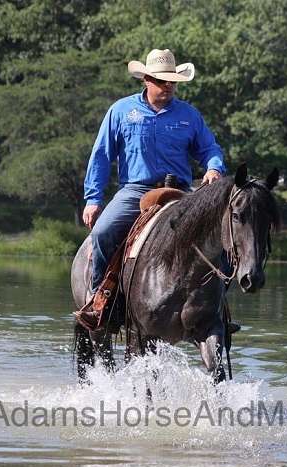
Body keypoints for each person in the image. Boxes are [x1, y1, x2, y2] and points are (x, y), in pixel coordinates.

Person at [77, 49, 226, 324]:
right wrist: (93, 199)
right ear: (146, 79)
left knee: (221, 237)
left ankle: (218, 310)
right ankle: (100, 302)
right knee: (102, 233)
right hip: (135, 191)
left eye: (172, 81)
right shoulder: (121, 111)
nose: (168, 86)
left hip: (180, 192)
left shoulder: (188, 115)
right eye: (162, 81)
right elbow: (101, 155)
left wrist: (214, 167)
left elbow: (209, 148)